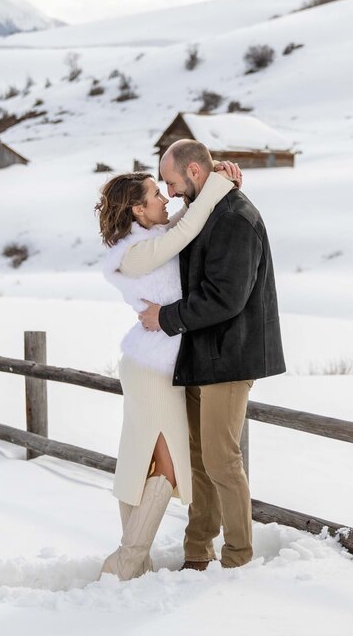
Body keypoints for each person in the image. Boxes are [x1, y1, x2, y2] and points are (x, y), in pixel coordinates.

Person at [137, 139, 286, 571]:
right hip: (203, 354)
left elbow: (226, 298)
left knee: (222, 460)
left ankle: (238, 557)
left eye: (171, 181)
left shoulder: (235, 219)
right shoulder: (206, 210)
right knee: (199, 462)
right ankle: (197, 551)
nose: (169, 190)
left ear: (195, 173)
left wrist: (166, 318)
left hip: (230, 357)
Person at [95, 160, 241, 581]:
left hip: (150, 364)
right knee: (171, 466)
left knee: (142, 462)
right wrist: (216, 184)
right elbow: (185, 228)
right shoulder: (136, 254)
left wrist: (216, 179)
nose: (165, 198)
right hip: (153, 369)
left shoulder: (146, 240)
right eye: (155, 194)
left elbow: (183, 217)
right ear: (138, 211)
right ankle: (126, 559)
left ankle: (135, 563)